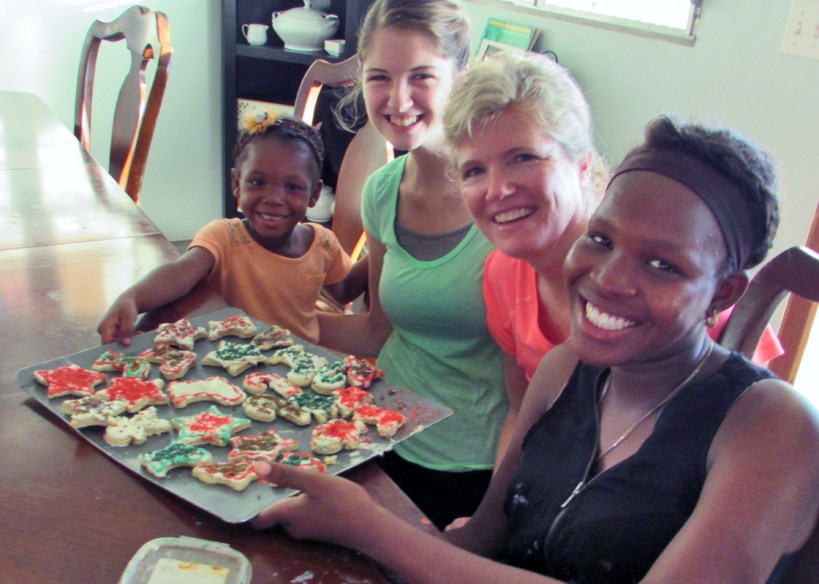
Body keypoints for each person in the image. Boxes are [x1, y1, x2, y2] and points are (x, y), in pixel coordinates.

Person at [252, 116, 819, 583]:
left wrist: (373, 530)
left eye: (663, 264)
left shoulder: (770, 426)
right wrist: (354, 515)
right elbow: (485, 535)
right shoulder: (565, 366)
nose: (609, 279)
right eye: (601, 238)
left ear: (723, 293)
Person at [443, 51, 783, 460]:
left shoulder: (689, 295)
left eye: (523, 157)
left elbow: (760, 439)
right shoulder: (501, 273)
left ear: (583, 165)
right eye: (474, 170)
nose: (497, 190)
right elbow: (522, 414)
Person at [315, 0, 508, 530]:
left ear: (460, 78)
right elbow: (380, 329)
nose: (398, 100)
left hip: (469, 468)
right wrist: (270, 320)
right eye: (380, 77)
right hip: (376, 432)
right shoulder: (383, 190)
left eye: (421, 76)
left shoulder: (503, 202)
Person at [98, 112, 353, 346]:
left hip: (300, 371)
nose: (274, 198)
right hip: (231, 365)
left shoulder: (322, 244)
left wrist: (384, 253)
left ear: (315, 194)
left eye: (293, 187)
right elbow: (179, 274)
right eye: (257, 182)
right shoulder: (223, 237)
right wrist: (132, 298)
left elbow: (344, 291)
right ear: (236, 184)